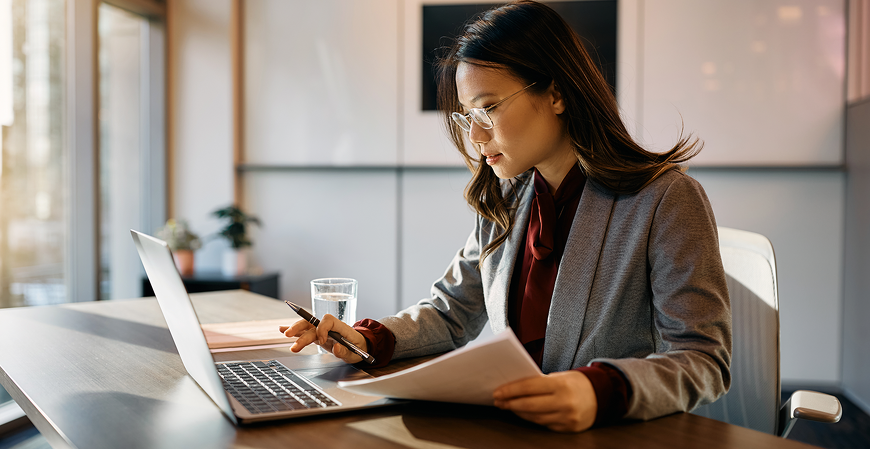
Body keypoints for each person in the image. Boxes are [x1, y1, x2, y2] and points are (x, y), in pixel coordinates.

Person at [280, 0, 731, 433]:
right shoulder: (508, 197)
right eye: (467, 116)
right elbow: (451, 313)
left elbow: (703, 358)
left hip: (613, 433)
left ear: (556, 93)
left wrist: (598, 390)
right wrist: (365, 341)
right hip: (519, 430)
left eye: (489, 108)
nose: (475, 135)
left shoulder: (666, 199)